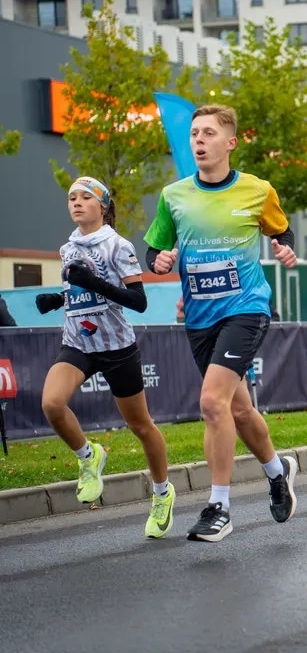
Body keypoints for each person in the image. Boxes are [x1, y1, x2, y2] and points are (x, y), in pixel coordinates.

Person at [144, 104, 299, 543]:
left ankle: (219, 508)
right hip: (199, 316)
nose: (198, 140)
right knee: (238, 408)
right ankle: (277, 471)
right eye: (194, 133)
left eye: (208, 133)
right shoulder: (174, 196)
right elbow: (153, 252)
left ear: (229, 143)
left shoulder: (257, 190)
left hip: (247, 309)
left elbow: (281, 231)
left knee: (212, 403)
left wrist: (285, 249)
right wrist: (158, 260)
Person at [32, 177, 175, 538]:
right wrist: (58, 300)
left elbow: (137, 301)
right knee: (51, 403)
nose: (77, 203)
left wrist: (92, 283)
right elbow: (80, 290)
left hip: (115, 347)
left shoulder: (118, 244)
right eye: (71, 198)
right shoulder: (67, 247)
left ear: (103, 206)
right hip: (77, 343)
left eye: (85, 197)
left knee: (141, 426)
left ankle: (162, 493)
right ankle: (88, 457)